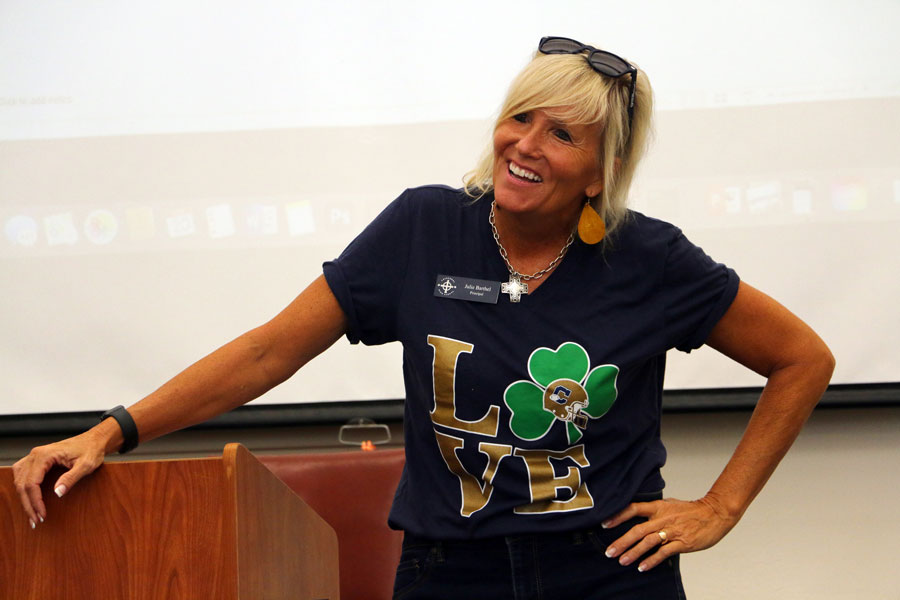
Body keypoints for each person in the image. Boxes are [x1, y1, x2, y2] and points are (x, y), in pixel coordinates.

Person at [13, 37, 834, 599]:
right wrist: (112, 430)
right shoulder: (423, 226)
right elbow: (267, 352)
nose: (527, 144)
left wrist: (721, 506)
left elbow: (802, 358)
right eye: (521, 117)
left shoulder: (648, 259)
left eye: (562, 133)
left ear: (601, 171)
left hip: (608, 569)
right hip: (450, 572)